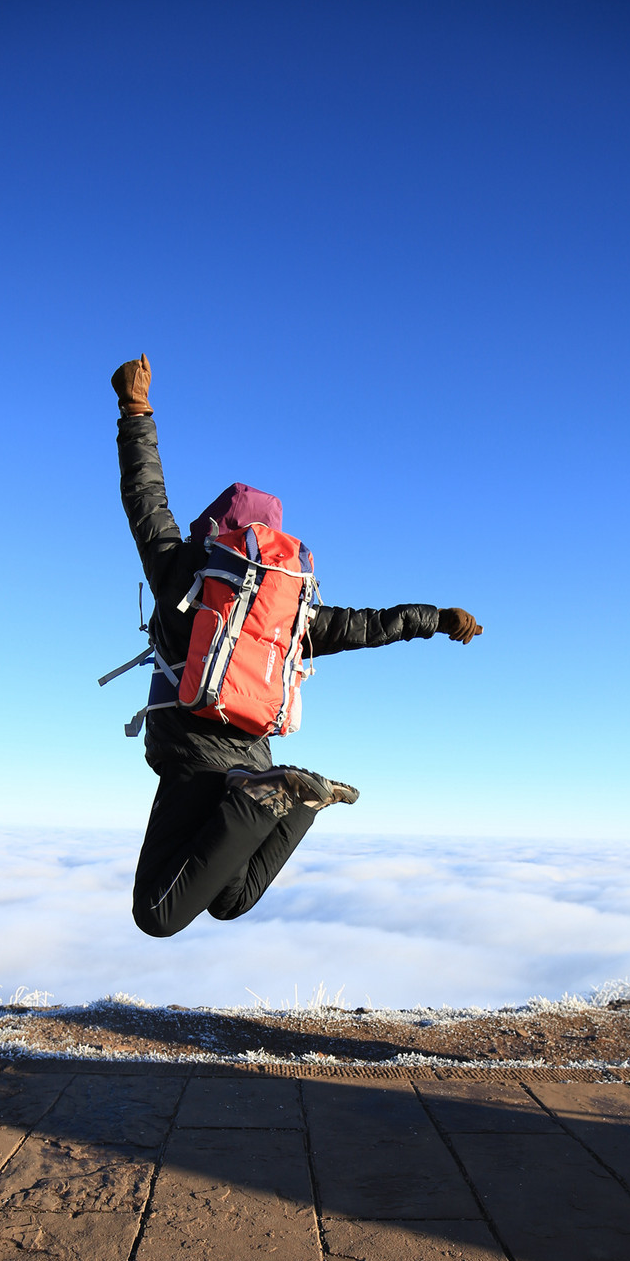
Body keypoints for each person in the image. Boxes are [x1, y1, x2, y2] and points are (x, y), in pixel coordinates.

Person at [112, 353, 482, 938]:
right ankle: (295, 802)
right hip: (252, 759)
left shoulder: (181, 570)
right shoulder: (288, 610)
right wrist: (435, 618)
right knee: (229, 899)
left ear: (215, 529)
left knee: (157, 913)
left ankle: (273, 802)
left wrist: (135, 409)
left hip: (194, 760)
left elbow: (145, 495)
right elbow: (367, 625)